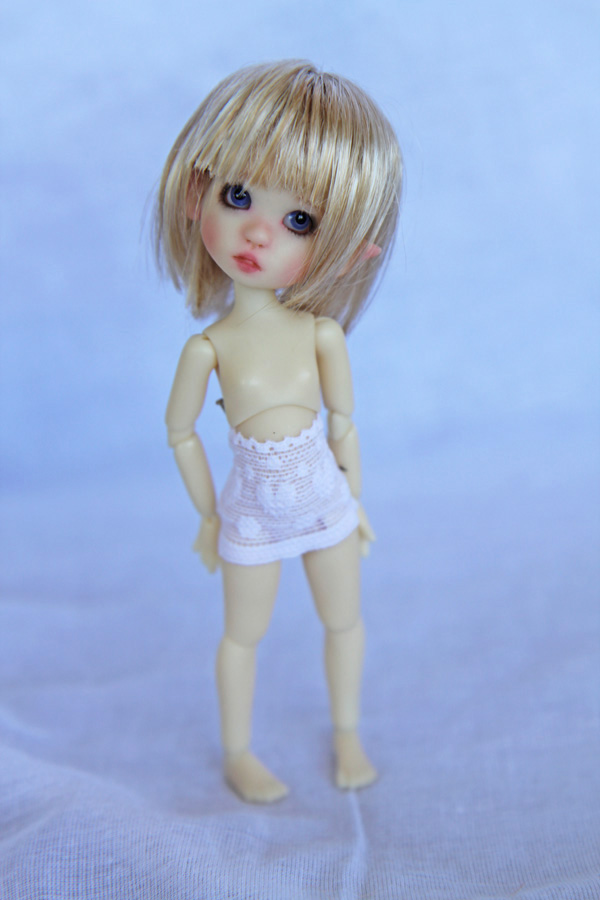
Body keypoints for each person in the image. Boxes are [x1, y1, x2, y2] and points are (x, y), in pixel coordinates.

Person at [155, 60, 402, 803]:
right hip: (252, 512)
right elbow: (181, 434)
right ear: (196, 194)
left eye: (301, 220)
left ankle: (348, 733)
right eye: (238, 196)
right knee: (242, 635)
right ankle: (239, 750)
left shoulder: (322, 335)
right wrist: (210, 515)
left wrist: (355, 498)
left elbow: (344, 422)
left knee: (343, 620)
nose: (258, 231)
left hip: (324, 499)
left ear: (351, 245)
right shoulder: (208, 348)